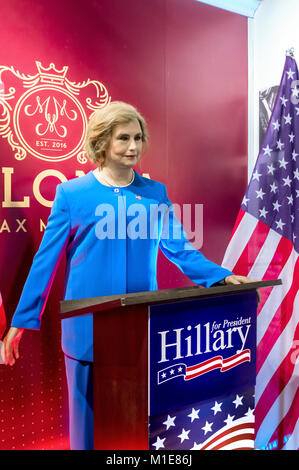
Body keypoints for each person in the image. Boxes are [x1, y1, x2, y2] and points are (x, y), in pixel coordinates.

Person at [1, 101, 258, 450]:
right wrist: (22, 321)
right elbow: (45, 262)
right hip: (86, 332)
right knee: (87, 430)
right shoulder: (72, 194)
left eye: (138, 138)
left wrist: (221, 277)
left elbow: (179, 249)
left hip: (140, 330)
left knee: (136, 429)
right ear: (102, 143)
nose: (133, 147)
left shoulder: (155, 194)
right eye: (123, 138)